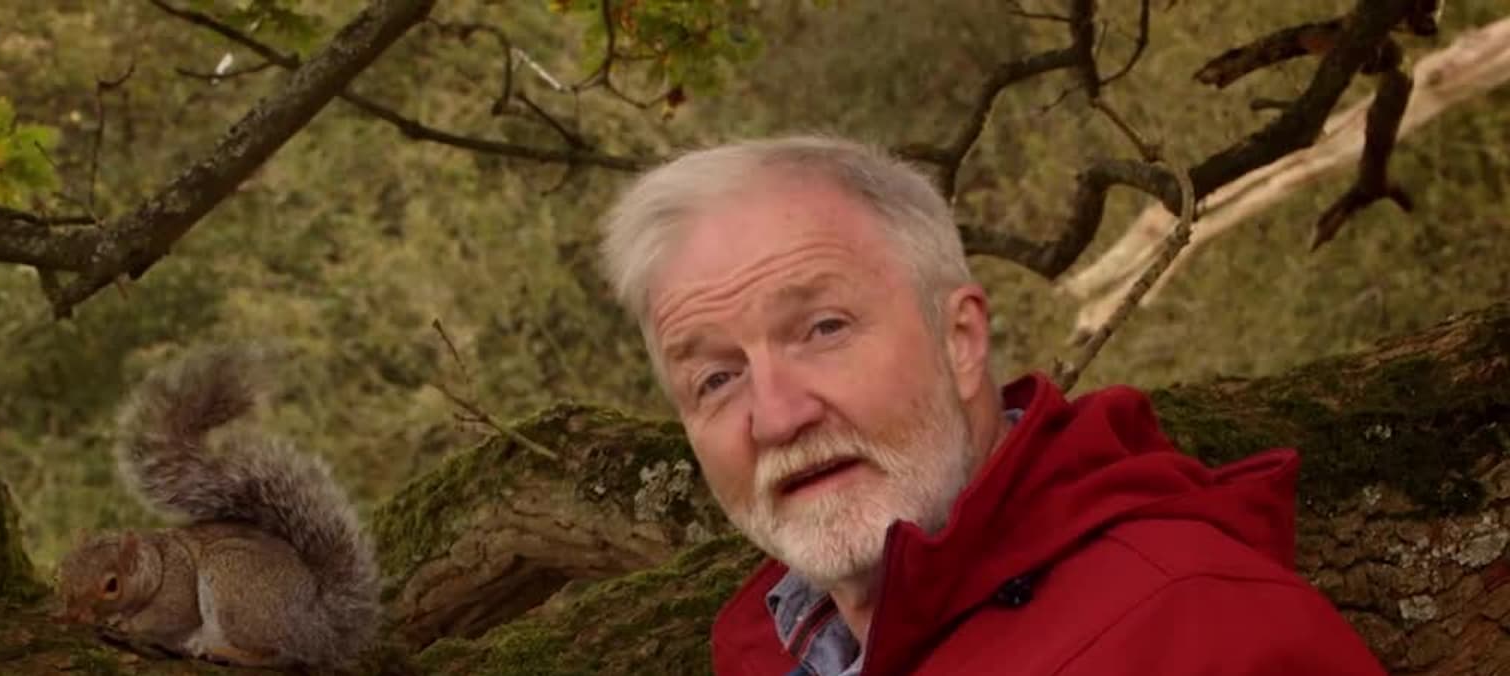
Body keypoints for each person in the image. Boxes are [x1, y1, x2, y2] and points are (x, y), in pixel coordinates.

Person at [592, 136, 1388, 675]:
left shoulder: (1197, 633)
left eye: (824, 329)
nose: (775, 416)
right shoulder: (769, 653)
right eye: (717, 379)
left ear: (961, 340)